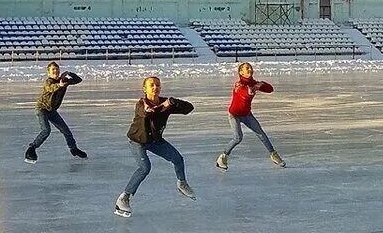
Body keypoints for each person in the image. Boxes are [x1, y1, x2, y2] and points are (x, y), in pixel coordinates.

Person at [114, 76, 196, 217]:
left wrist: (173, 102)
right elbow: (145, 112)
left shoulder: (165, 104)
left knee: (178, 159)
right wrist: (153, 108)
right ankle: (124, 197)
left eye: (157, 85)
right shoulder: (141, 104)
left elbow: (189, 108)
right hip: (138, 141)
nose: (155, 87)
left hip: (155, 141)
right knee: (145, 168)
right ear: (144, 89)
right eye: (151, 85)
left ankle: (182, 183)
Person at [215, 62, 285, 171]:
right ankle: (222, 157)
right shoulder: (238, 84)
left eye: (251, 68)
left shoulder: (253, 83)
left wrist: (261, 84)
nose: (250, 70)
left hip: (247, 114)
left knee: (261, 134)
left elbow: (270, 89)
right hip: (234, 115)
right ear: (240, 72)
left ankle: (273, 154)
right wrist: (251, 91)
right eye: (247, 68)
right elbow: (243, 95)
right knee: (238, 138)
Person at [25, 61, 87, 163]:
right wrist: (60, 84)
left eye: (57, 69)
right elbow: (50, 88)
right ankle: (31, 149)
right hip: (42, 109)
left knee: (66, 131)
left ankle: (74, 149)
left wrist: (69, 74)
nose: (55, 71)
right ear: (49, 72)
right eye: (53, 70)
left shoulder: (63, 80)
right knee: (46, 130)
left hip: (52, 110)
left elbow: (78, 80)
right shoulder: (49, 82)